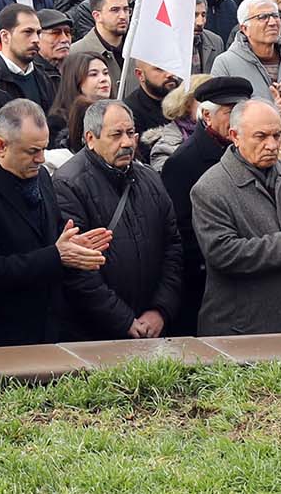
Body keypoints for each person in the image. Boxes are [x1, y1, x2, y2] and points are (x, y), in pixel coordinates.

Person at [0, 100, 105, 348]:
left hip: (46, 330)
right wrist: (57, 256)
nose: (41, 159)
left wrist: (73, 251)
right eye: (32, 152)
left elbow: (53, 238)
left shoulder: (39, 175)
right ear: (0, 146)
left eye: (43, 149)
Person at [187, 99, 281, 336]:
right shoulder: (210, 188)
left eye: (277, 135)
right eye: (261, 136)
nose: (272, 145)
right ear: (235, 136)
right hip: (245, 329)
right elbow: (222, 254)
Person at [51, 97, 187, 340]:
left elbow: (173, 248)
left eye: (131, 133)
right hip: (95, 334)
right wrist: (124, 320)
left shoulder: (150, 179)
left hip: (152, 325)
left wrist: (160, 310)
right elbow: (78, 269)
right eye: (116, 135)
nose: (127, 142)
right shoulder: (68, 185)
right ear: (91, 139)